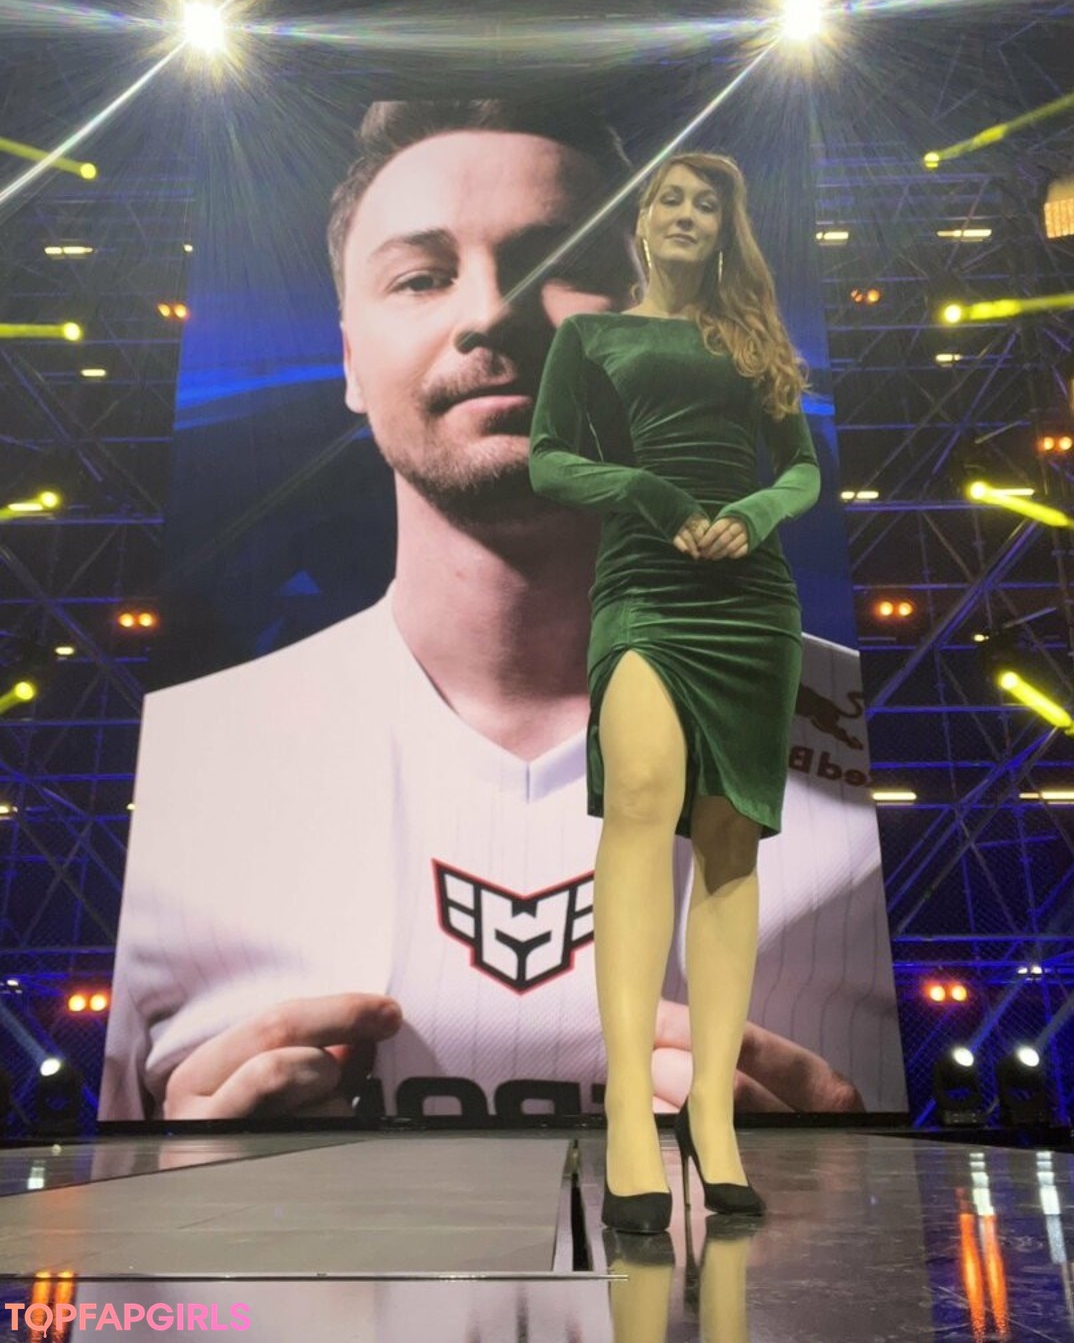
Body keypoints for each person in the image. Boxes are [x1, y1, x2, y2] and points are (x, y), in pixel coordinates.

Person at [100, 101, 905, 1123]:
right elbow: (71, 1212)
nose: (493, 314)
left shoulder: (879, 741)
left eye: (564, 264)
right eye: (420, 277)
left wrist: (873, 1192)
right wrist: (164, 1193)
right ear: (350, 360)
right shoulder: (173, 766)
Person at [529, 153, 821, 1231]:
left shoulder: (753, 339)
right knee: (643, 802)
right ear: (642, 222)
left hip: (752, 597)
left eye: (708, 203)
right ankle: (627, 1111)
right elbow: (549, 460)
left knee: (731, 837)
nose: (689, 213)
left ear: (726, 227)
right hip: (646, 586)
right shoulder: (590, 337)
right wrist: (647, 490)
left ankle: (710, 1112)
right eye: (672, 198)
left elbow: (802, 468)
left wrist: (756, 511)